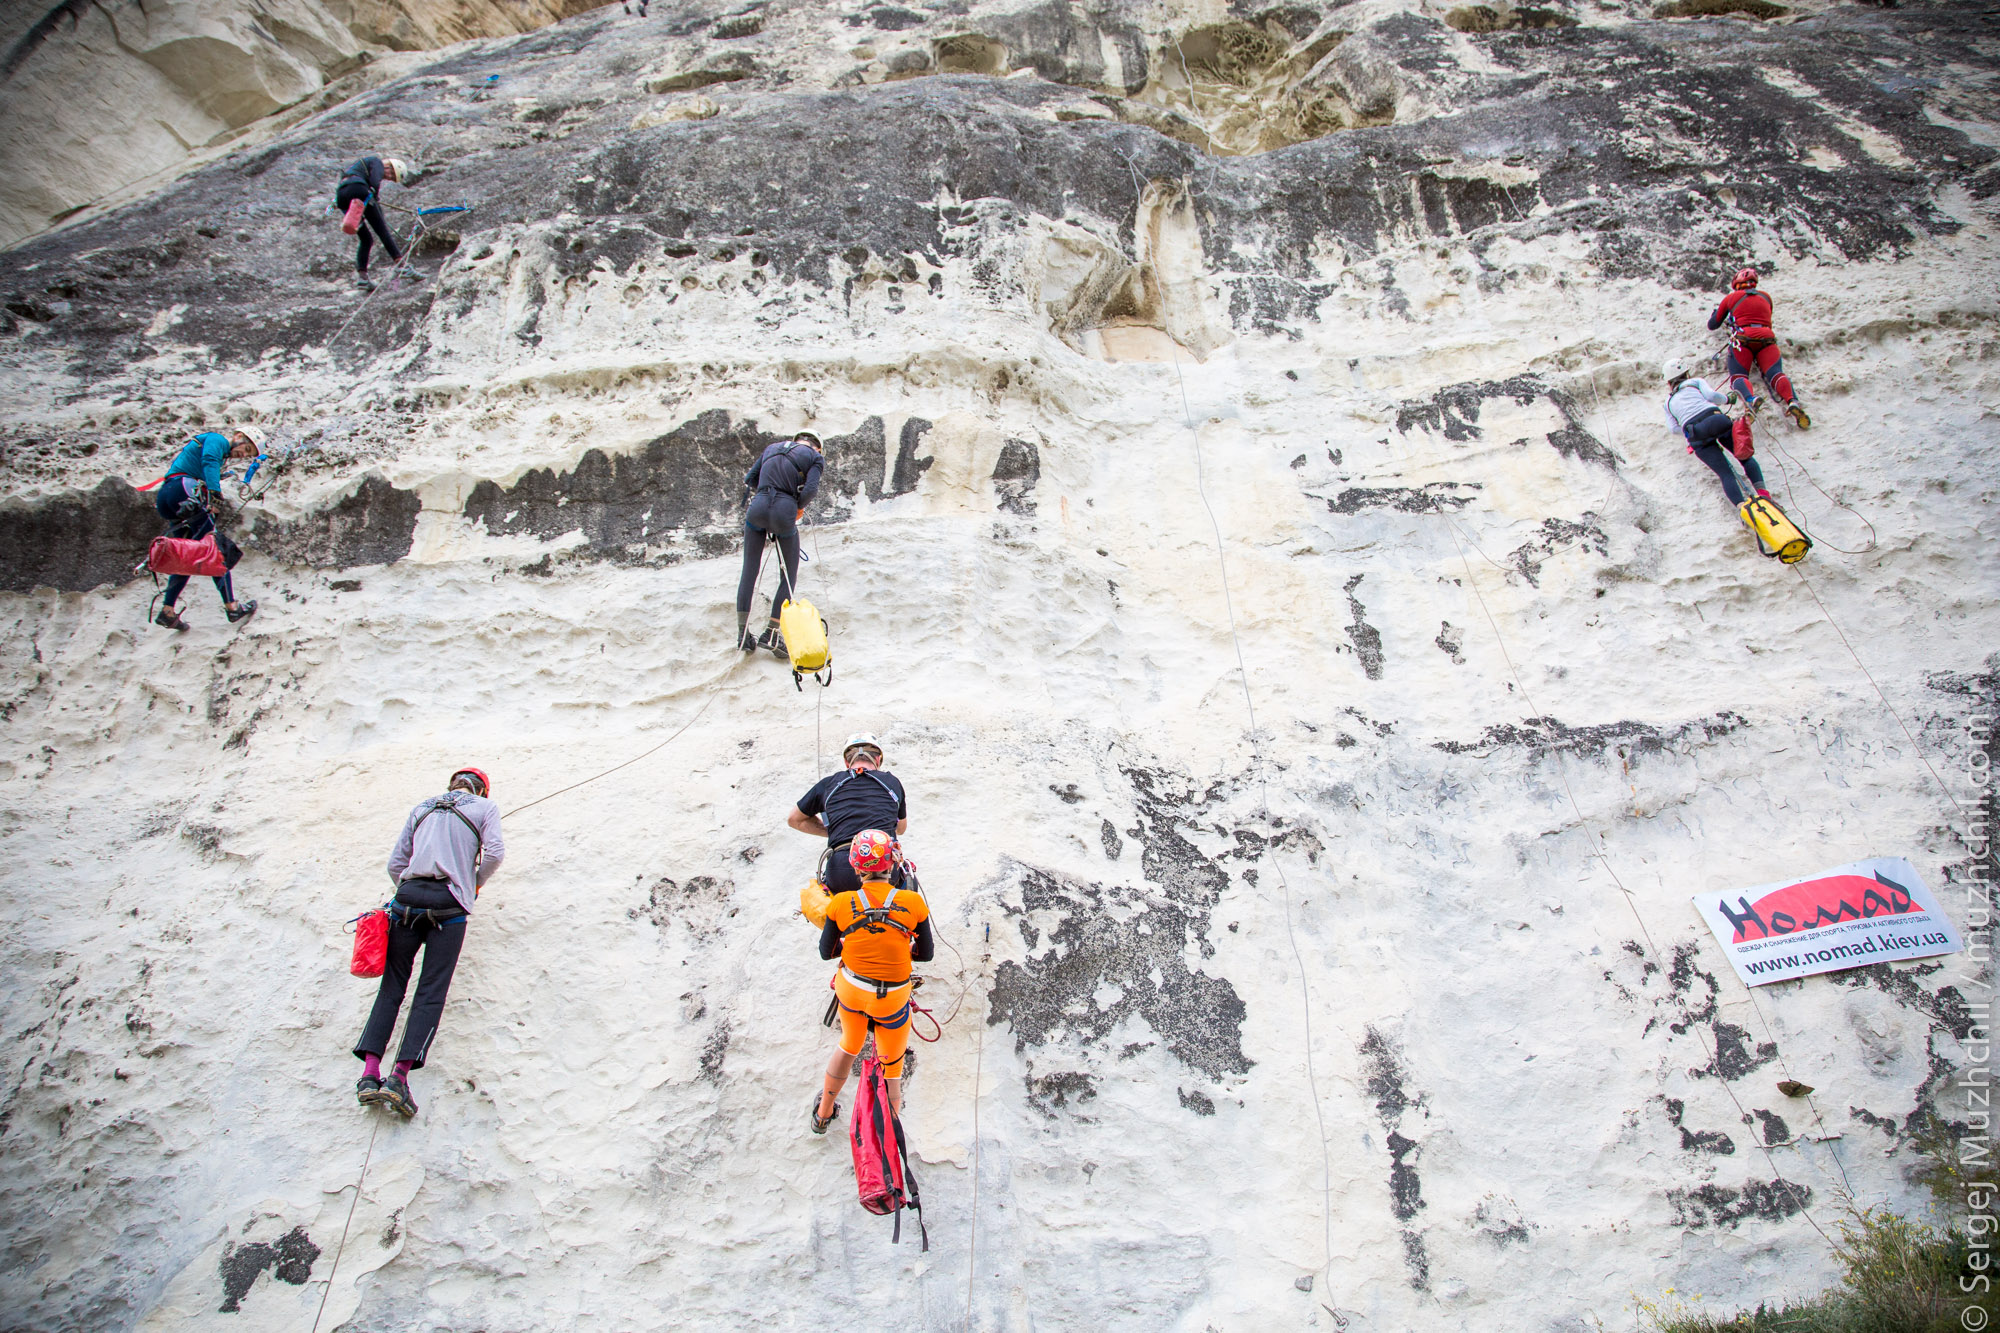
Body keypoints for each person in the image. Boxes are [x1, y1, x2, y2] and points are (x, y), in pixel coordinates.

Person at [354, 766, 506, 1118]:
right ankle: (398, 1079)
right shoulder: (485, 808)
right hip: (448, 907)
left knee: (392, 988)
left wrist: (409, 887)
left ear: (451, 785)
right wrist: (471, 885)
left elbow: (396, 863)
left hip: (405, 900)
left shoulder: (422, 807)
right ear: (481, 790)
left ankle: (368, 1075)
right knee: (430, 992)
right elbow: (495, 853)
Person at [811, 830, 933, 1133]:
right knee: (892, 1063)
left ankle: (823, 1115)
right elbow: (925, 954)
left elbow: (827, 952)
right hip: (892, 997)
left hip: (853, 990)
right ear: (892, 865)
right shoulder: (912, 902)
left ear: (855, 867)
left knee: (849, 1044)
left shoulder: (841, 903)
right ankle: (890, 1131)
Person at [153, 430, 259, 630]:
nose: (244, 455)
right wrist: (215, 492)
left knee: (185, 557)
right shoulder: (218, 439)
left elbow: (208, 465)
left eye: (248, 454)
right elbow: (209, 460)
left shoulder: (217, 454)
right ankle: (232, 606)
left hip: (168, 497)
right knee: (215, 549)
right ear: (237, 436)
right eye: (246, 449)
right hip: (183, 489)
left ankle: (167, 611)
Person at [735, 430, 823, 653]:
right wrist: (797, 506)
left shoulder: (771, 448)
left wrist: (768, 491)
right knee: (788, 575)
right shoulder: (815, 457)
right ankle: (772, 634)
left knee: (749, 571)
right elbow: (811, 489)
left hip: (757, 508)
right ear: (818, 447)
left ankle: (743, 634)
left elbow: (750, 479)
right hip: (784, 511)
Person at [790, 733, 907, 896]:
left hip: (841, 865)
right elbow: (900, 828)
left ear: (847, 762)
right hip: (883, 863)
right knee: (906, 893)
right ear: (878, 759)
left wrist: (834, 831)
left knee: (835, 912)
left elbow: (794, 819)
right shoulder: (892, 782)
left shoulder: (828, 784)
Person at [1707, 267, 1810, 429]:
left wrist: (1715, 313)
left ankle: (1751, 399)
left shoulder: (1731, 298)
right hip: (1767, 338)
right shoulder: (1766, 297)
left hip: (1743, 339)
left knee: (1738, 376)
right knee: (1776, 374)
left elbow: (1713, 324)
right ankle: (1792, 401)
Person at [1664, 358, 1772, 508]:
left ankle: (1742, 508)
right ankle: (1764, 495)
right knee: (1745, 458)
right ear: (1686, 374)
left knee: (1725, 474)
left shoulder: (1667, 403)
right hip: (1715, 420)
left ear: (1669, 382)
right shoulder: (1695, 382)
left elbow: (1674, 429)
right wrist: (1728, 399)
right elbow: (1712, 396)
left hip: (1695, 434)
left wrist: (1693, 429)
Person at [334, 155, 411, 293]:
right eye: (391, 173)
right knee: (383, 232)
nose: (388, 176)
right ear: (389, 166)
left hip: (342, 196)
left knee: (366, 239)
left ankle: (363, 278)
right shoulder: (377, 162)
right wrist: (374, 195)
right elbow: (375, 179)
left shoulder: (359, 168)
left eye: (391, 178)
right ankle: (403, 266)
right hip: (359, 191)